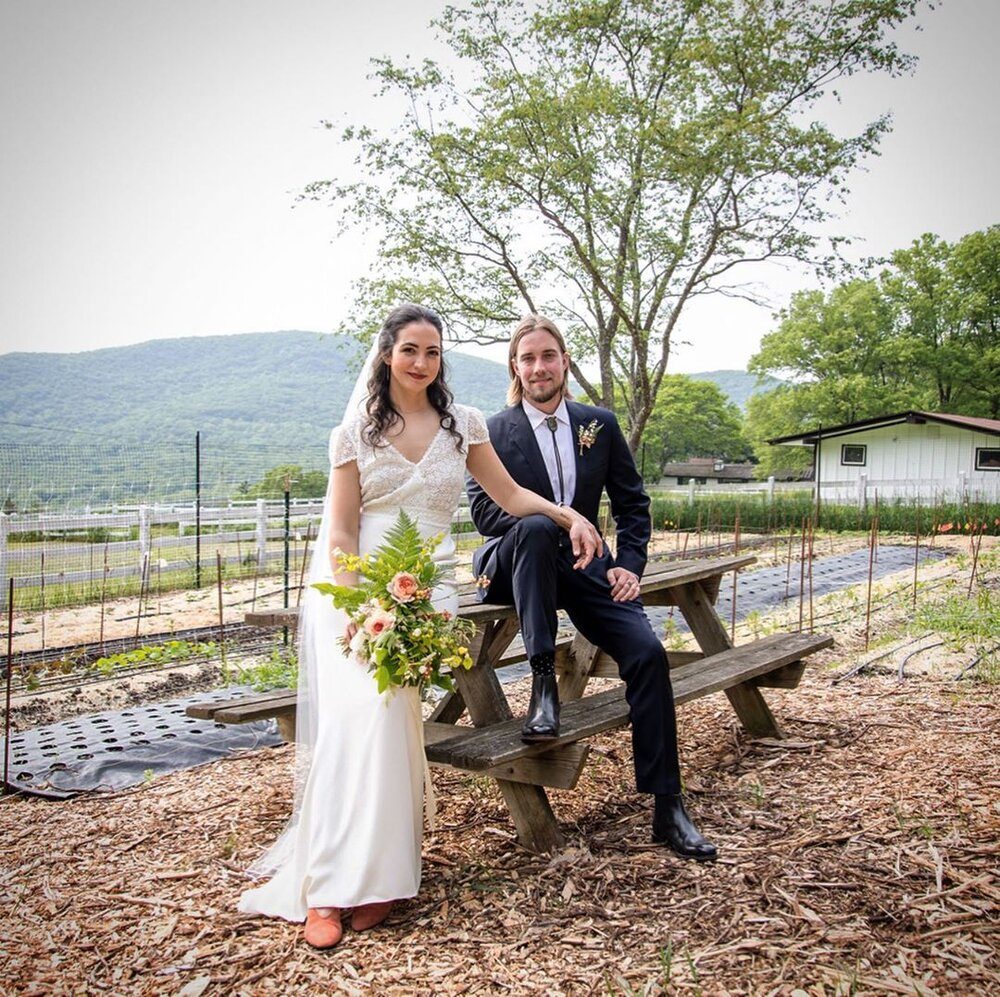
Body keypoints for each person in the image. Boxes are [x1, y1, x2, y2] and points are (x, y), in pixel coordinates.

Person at [238, 304, 602, 949]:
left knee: (391, 722)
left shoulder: (463, 425)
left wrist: (569, 515)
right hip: (357, 587)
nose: (421, 362)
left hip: (426, 589)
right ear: (386, 354)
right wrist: (355, 608)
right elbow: (343, 529)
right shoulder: (351, 433)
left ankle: (381, 877)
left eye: (433, 352)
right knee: (357, 725)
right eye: (410, 349)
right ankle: (324, 884)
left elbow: (512, 496)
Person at [465, 314, 717, 862]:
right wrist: (561, 517)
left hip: (585, 565)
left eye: (548, 355)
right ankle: (542, 688)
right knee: (532, 527)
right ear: (515, 367)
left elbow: (632, 504)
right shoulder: (490, 431)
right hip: (513, 565)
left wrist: (630, 564)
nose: (538, 367)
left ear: (564, 361)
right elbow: (486, 514)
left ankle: (667, 805)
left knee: (648, 654)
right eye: (527, 358)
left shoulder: (598, 424)